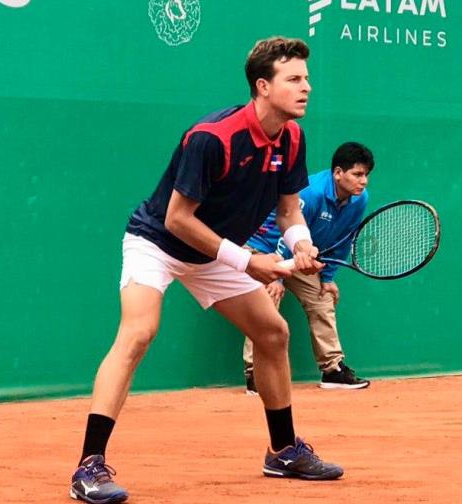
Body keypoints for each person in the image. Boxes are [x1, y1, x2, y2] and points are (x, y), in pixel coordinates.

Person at [69, 37, 344, 504]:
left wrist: (301, 244)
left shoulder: (292, 137)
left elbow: (288, 211)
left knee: (273, 334)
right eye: (294, 79)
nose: (307, 87)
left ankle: (282, 451)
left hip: (213, 253)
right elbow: (178, 218)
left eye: (307, 78)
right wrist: (247, 261)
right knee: (138, 333)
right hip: (157, 242)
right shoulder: (212, 137)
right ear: (263, 86)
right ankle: (88, 467)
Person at [242, 142, 375, 396]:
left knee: (322, 299)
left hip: (303, 256)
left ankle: (332, 369)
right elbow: (283, 231)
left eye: (366, 175)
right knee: (266, 301)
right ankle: (255, 373)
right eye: (357, 174)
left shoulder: (359, 200)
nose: (364, 181)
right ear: (338, 173)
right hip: (263, 248)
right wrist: (277, 277)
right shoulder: (311, 193)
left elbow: (344, 238)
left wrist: (327, 277)